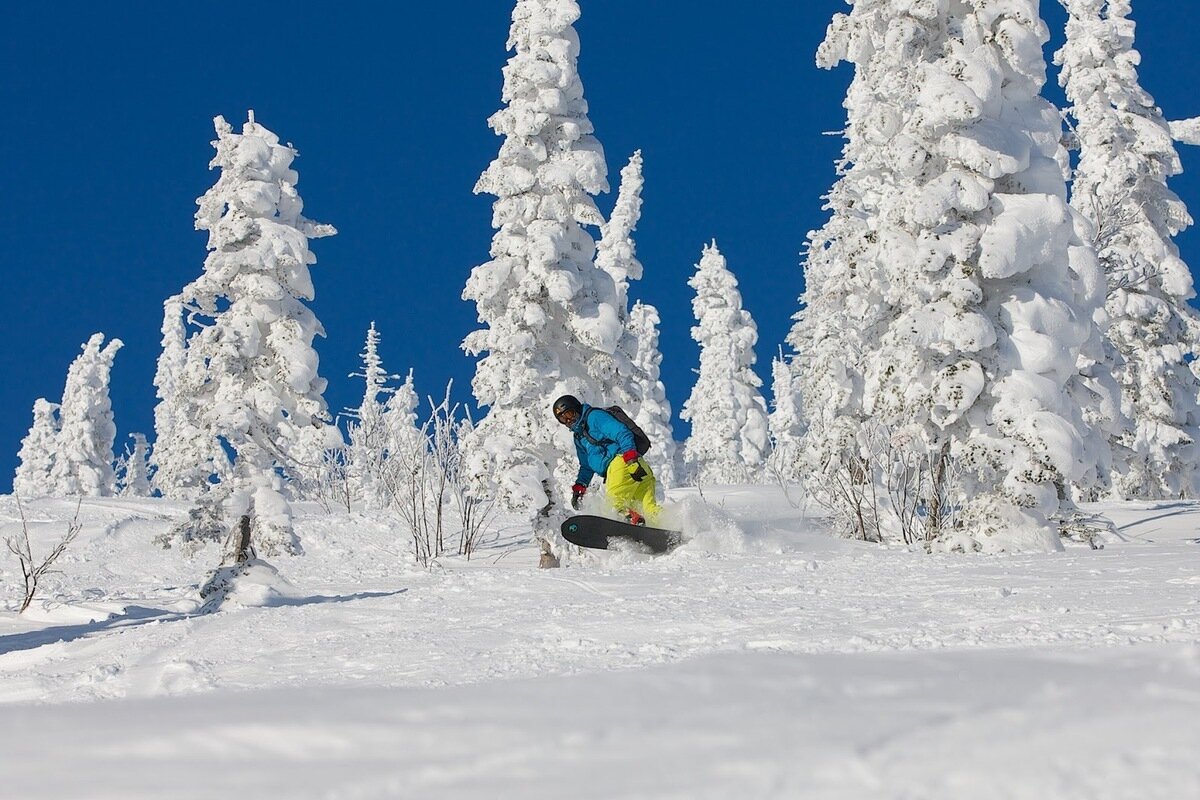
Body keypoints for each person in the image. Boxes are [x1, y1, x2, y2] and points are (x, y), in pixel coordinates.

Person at [553, 394, 662, 526]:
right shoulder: (579, 437)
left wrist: (630, 459)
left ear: (577, 409)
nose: (568, 420)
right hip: (638, 466)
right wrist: (580, 486)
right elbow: (586, 466)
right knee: (648, 510)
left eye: (569, 414)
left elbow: (622, 432)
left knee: (614, 507)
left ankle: (633, 524)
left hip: (623, 463)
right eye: (563, 419)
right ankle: (671, 528)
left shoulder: (594, 417)